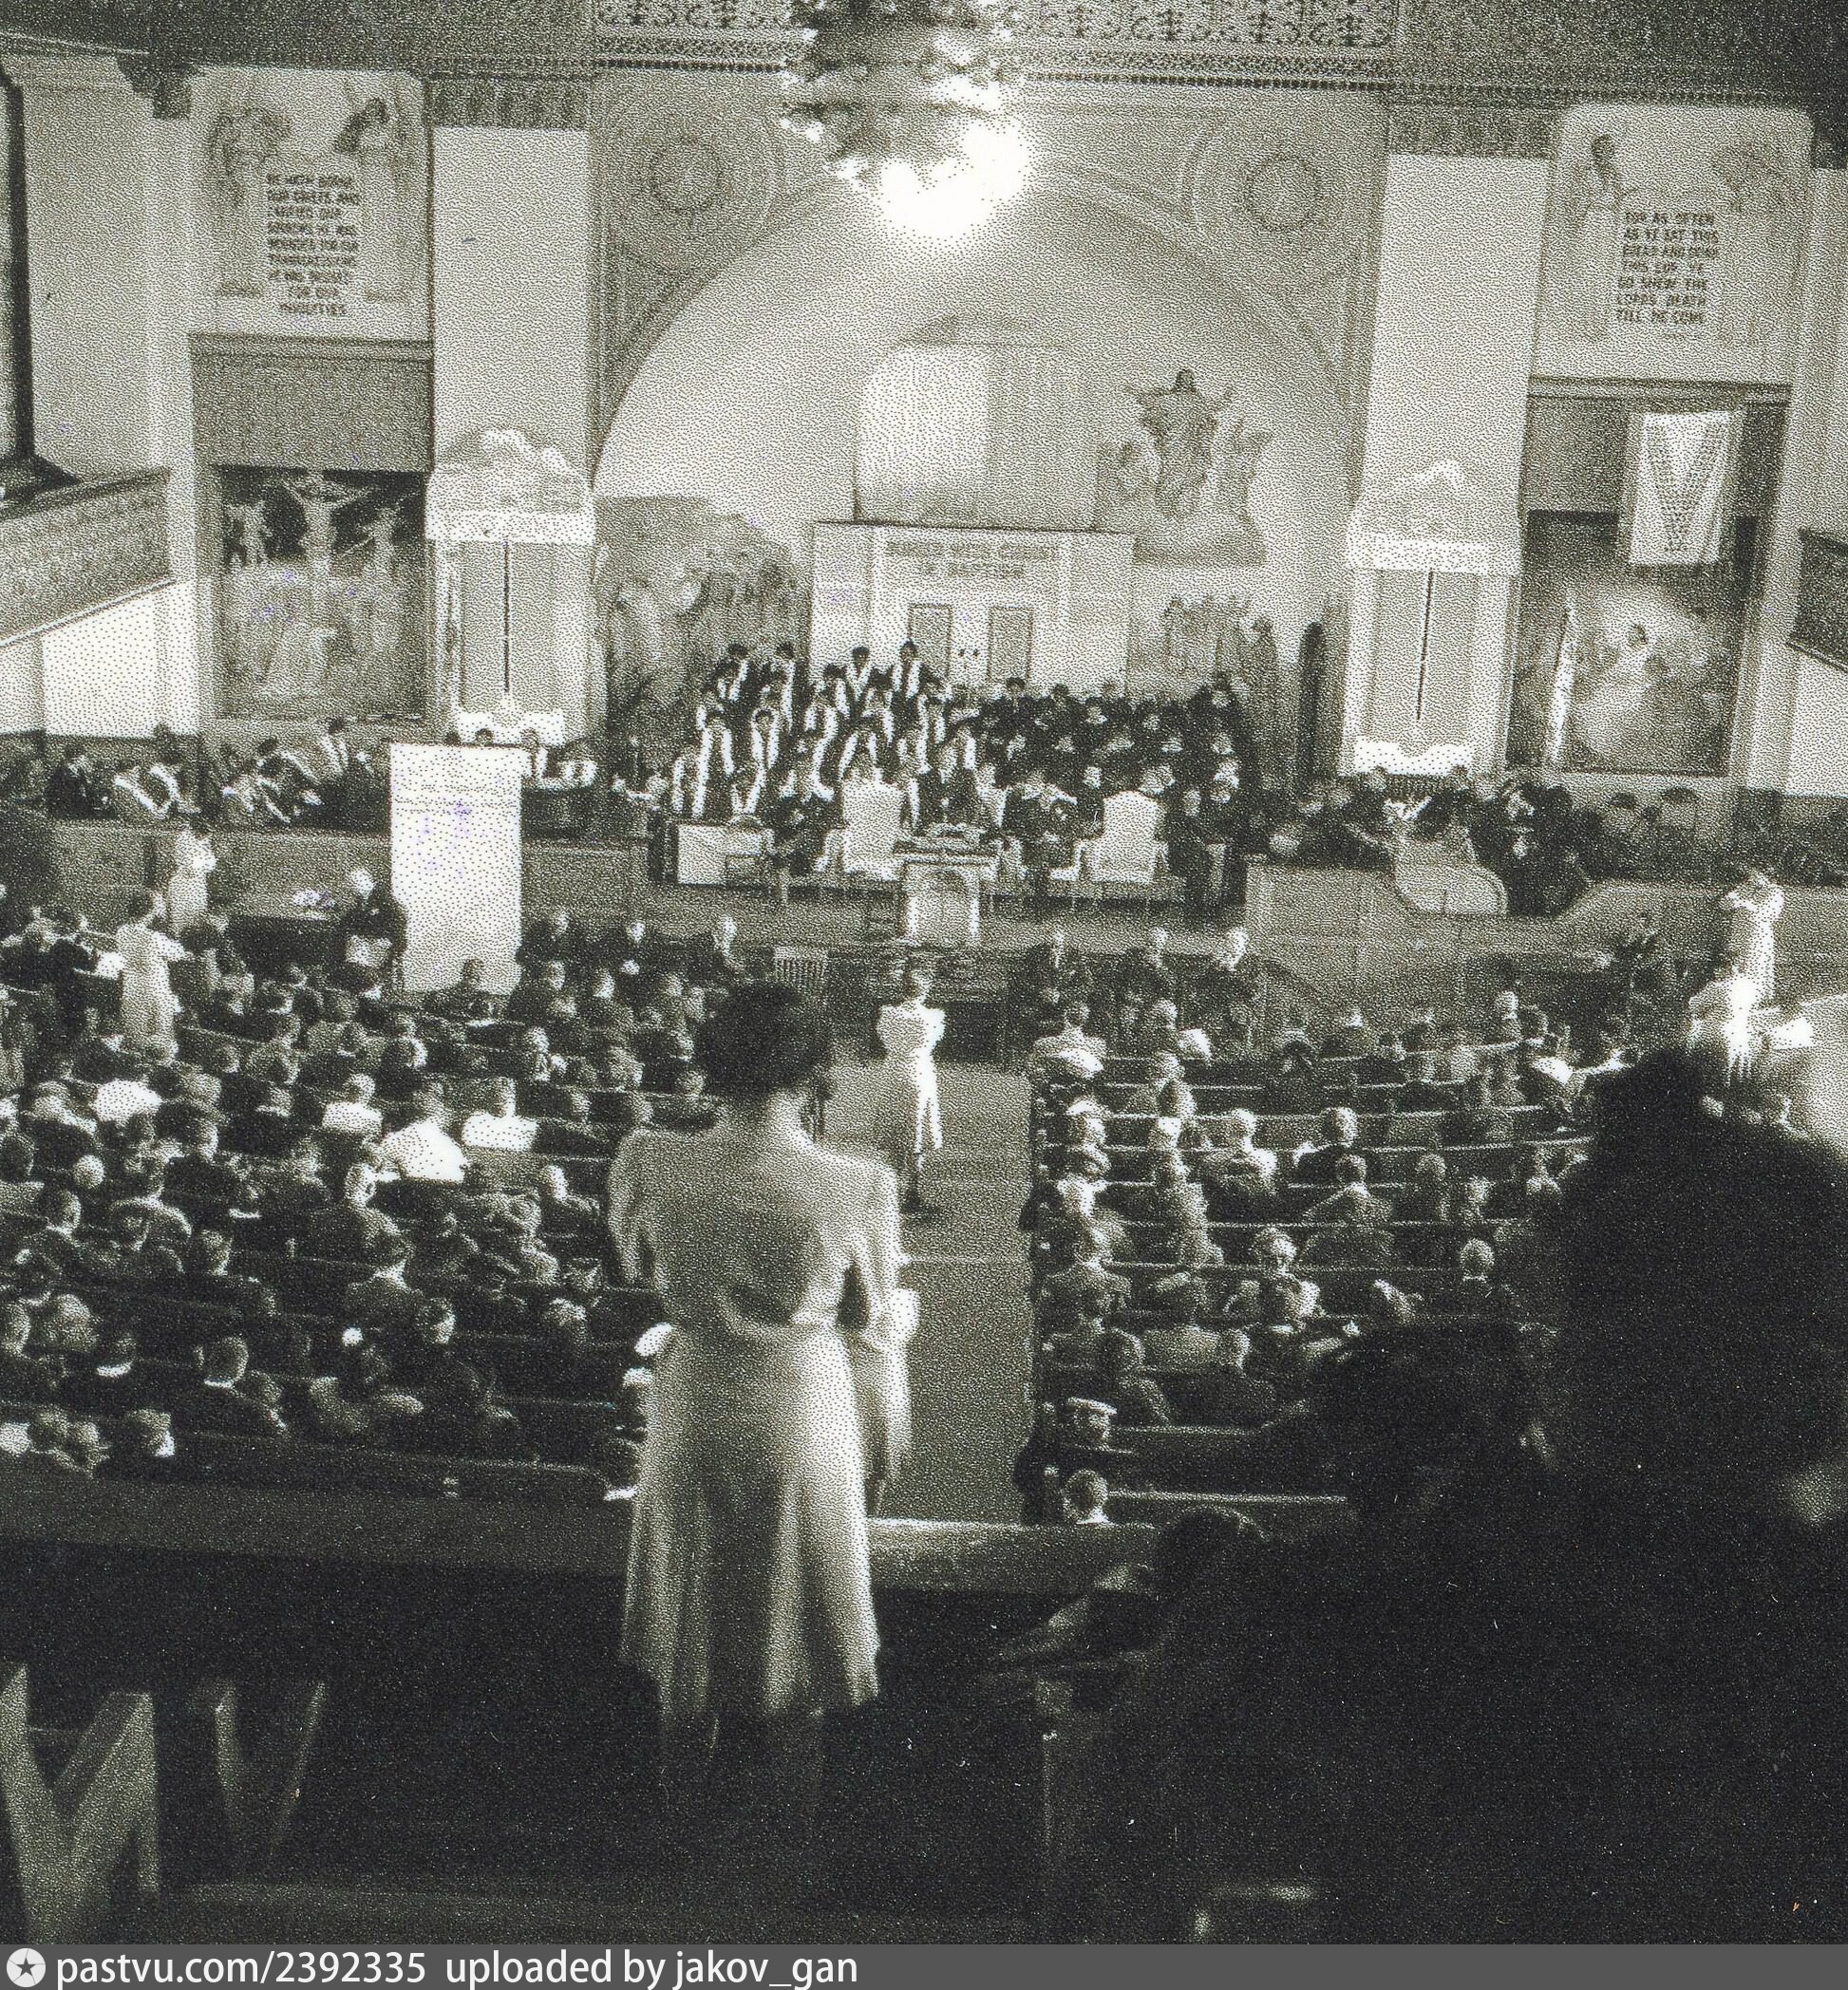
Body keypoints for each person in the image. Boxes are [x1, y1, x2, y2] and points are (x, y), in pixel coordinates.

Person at [607, 982, 911, 1844]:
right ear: (817, 1074)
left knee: (693, 1599)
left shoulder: (647, 1158)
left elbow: (638, 1269)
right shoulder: (859, 1182)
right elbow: (867, 1314)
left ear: (713, 1064)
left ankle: (679, 1821)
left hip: (698, 1396)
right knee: (799, 1606)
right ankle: (789, 1838)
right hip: (803, 1404)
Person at [874, 968, 946, 1217]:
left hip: (893, 1074)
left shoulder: (887, 1013)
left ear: (901, 990)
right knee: (917, 1135)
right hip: (919, 1073)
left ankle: (892, 1192)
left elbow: (883, 1038)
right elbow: (934, 1042)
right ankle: (912, 1193)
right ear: (925, 991)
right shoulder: (934, 1016)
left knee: (895, 1134)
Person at [113, 892, 189, 1055]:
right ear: (150, 911)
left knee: (135, 1031)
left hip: (132, 985)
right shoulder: (153, 937)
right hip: (154, 987)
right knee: (159, 1033)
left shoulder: (121, 931)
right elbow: (179, 952)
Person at [1720, 866, 1784, 1005]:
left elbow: (1766, 913)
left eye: (1757, 874)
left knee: (1755, 965)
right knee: (1737, 964)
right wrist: (1735, 900)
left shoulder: (1774, 892)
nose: (1753, 877)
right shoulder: (1745, 888)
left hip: (1757, 935)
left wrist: (1743, 903)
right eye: (1752, 875)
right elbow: (1724, 903)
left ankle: (1757, 999)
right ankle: (1737, 998)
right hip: (1740, 933)